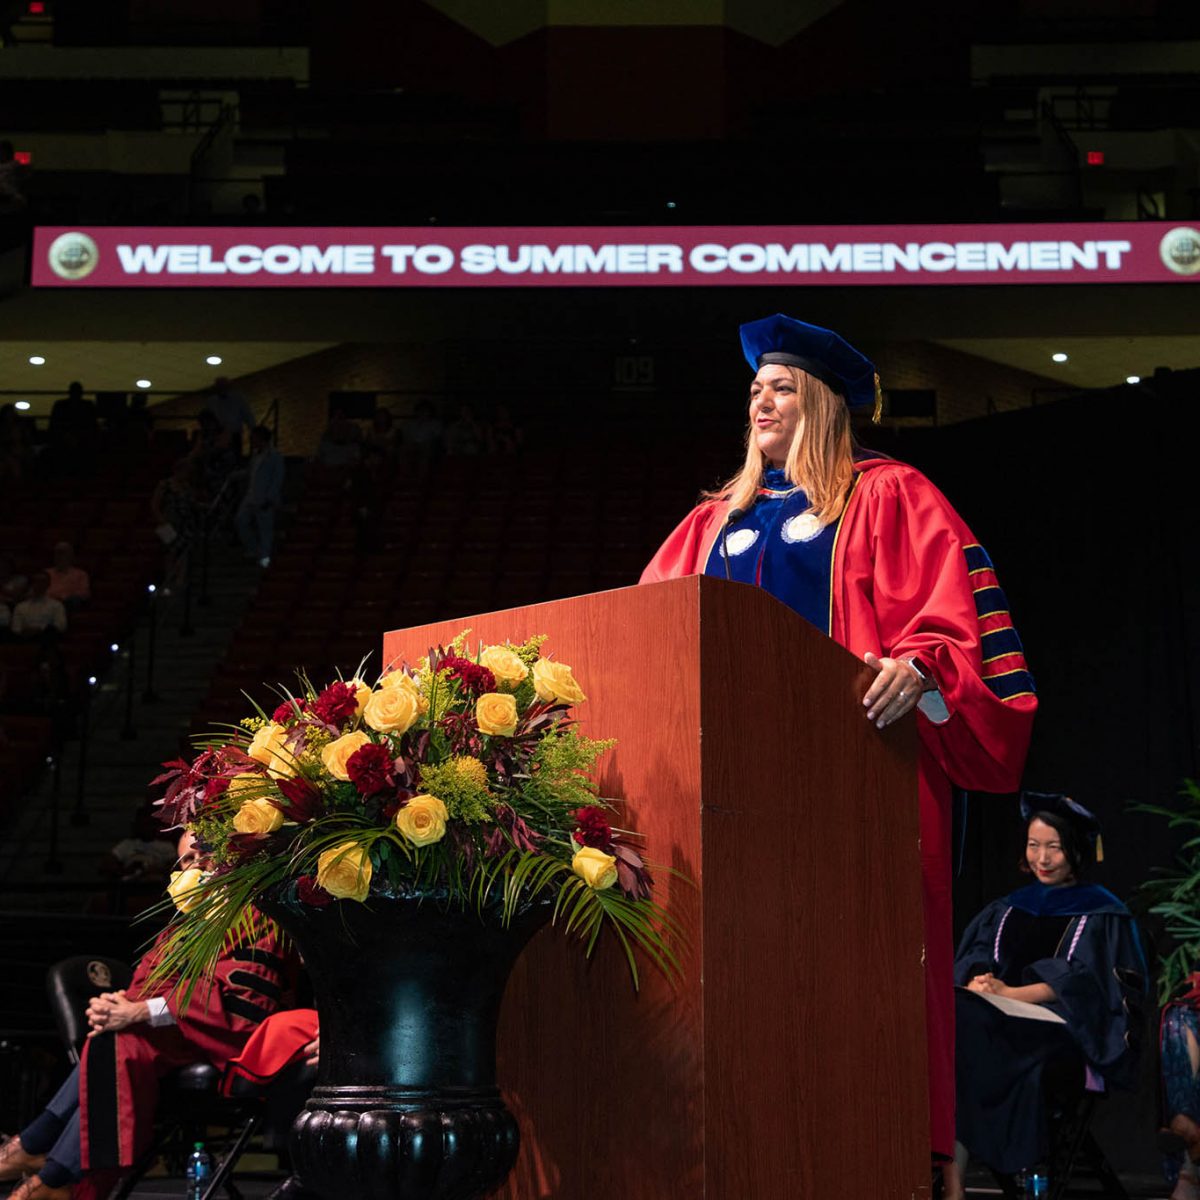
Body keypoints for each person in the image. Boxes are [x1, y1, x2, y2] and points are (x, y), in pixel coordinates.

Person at [640, 314, 1038, 1175]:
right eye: (754, 390)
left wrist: (923, 674)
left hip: (860, 788)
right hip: (727, 801)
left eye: (781, 387)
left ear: (821, 403)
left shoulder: (891, 495)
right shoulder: (709, 523)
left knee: (859, 997)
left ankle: (885, 1158)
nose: (762, 401)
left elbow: (958, 635)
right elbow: (647, 633)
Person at [0, 833, 293, 1200]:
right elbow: (151, 986)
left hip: (227, 1041)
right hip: (173, 1039)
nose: (196, 866)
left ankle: (47, 1163)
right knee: (117, 1036)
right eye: (186, 860)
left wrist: (137, 1010)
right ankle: (54, 1173)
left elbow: (245, 1005)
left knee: (120, 1038)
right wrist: (119, 1003)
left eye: (205, 854)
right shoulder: (186, 924)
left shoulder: (255, 914)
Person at [952, 793, 1147, 1194]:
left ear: (1075, 850)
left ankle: (1009, 1164)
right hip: (995, 1018)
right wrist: (979, 979)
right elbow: (977, 951)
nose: (1042, 858)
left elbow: (1087, 984)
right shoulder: (1009, 908)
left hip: (1061, 1035)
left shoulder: (1102, 914)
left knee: (973, 1045)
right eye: (1033, 845)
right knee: (956, 1024)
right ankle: (953, 1182)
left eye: (1054, 847)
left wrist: (1011, 993)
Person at [235, 425, 285, 568]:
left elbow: (277, 479)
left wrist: (270, 498)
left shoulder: (275, 457)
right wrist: (235, 475)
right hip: (251, 496)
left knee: (265, 530)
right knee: (240, 521)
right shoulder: (256, 456)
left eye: (254, 438)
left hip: (264, 499)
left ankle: (264, 559)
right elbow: (250, 472)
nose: (252, 440)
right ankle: (254, 549)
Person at [11, 572, 67, 638]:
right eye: (36, 581)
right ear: (31, 584)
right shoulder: (20, 607)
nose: (39, 584)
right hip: (25, 640)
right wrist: (27, 631)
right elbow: (15, 628)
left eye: (42, 582)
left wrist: (41, 629)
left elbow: (61, 626)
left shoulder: (57, 605)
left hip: (47, 639)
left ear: (48, 584)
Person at [45, 543, 90, 607]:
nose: (59, 556)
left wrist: (64, 597)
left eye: (63, 553)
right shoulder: (47, 573)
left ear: (70, 556)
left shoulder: (80, 575)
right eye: (57, 553)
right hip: (46, 604)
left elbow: (84, 593)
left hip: (67, 605)